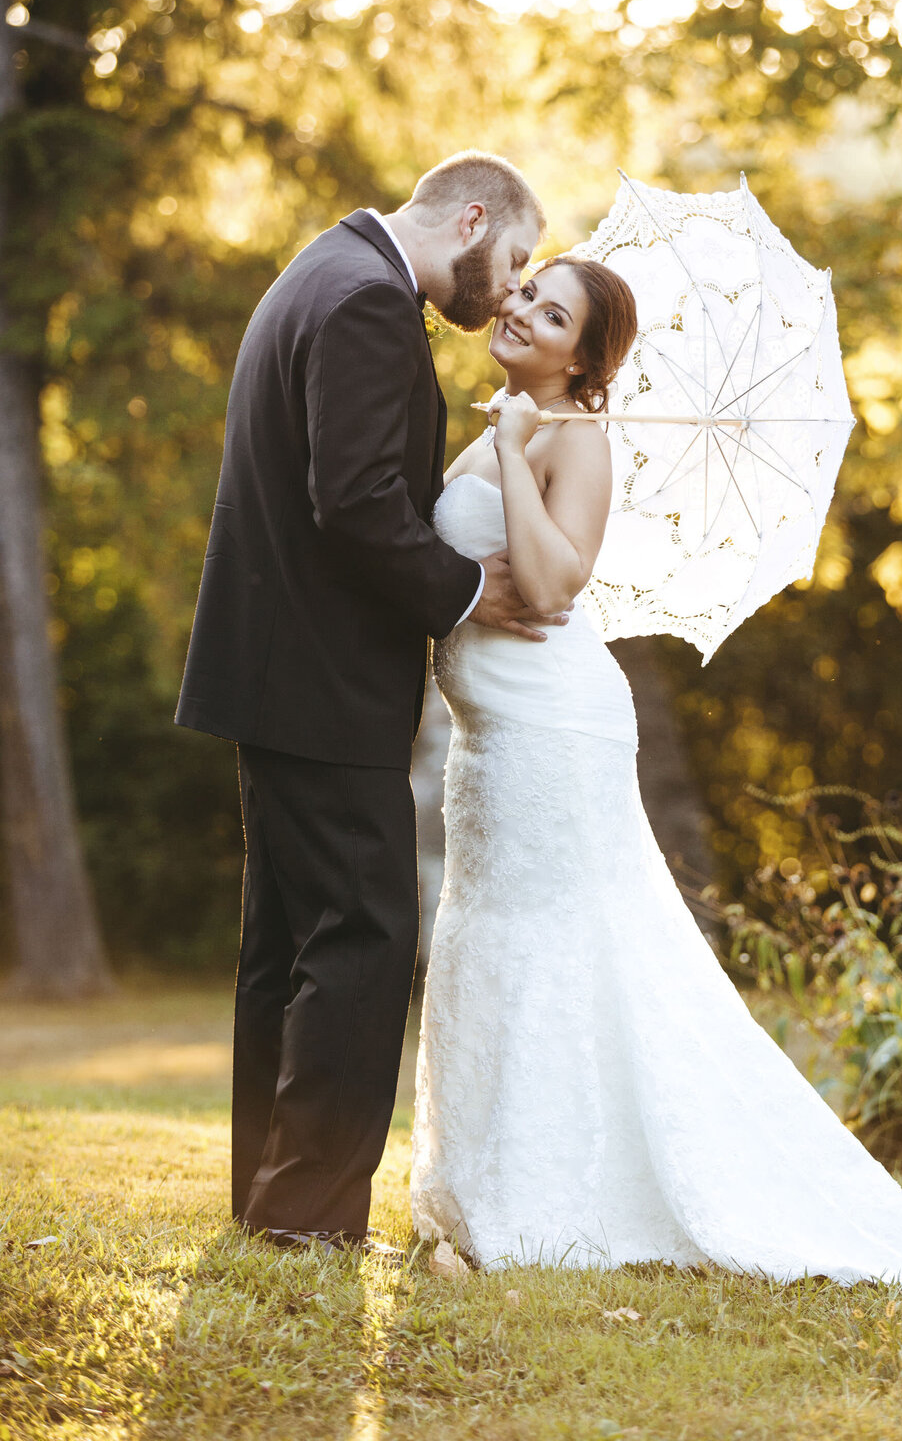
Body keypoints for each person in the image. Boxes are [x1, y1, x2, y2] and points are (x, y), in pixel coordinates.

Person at [412, 254, 902, 1301]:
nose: (520, 309)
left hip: (554, 729)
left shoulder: (574, 442)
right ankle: (485, 1183)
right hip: (488, 735)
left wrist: (520, 455)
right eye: (526, 294)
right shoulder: (503, 425)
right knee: (491, 929)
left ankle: (549, 1196)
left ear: (585, 357)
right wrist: (505, 448)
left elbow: (560, 586)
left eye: (552, 311)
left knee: (553, 940)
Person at [176, 151, 564, 1254]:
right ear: (472, 217)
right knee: (366, 937)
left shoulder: (325, 270)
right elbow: (350, 502)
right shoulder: (367, 303)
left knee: (291, 943)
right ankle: (308, 1217)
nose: (512, 286)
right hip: (321, 677)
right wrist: (463, 589)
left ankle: (272, 1199)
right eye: (517, 258)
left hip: (278, 670)